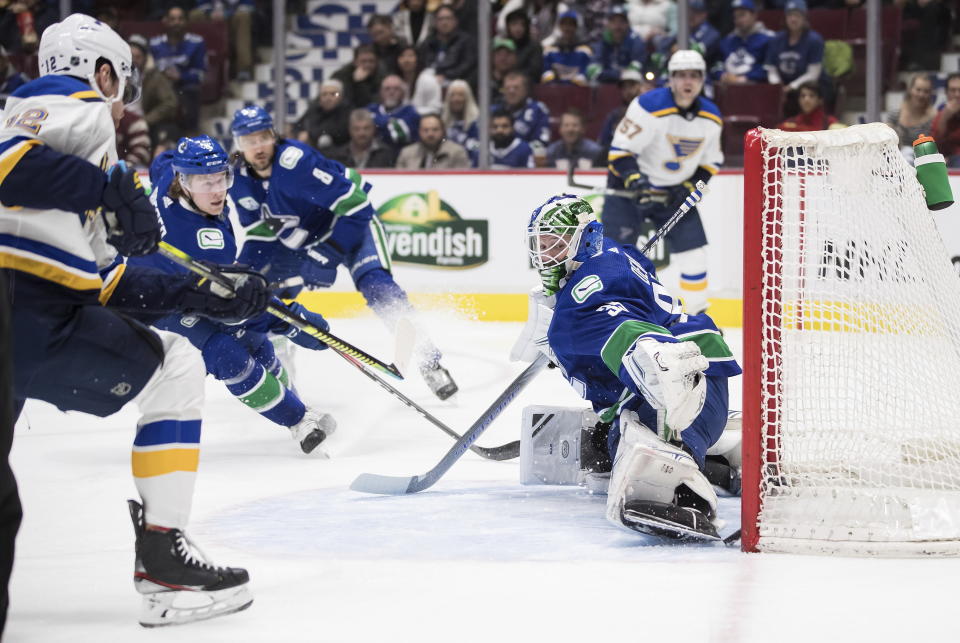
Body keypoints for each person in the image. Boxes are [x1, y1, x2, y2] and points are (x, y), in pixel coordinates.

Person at [1, 14, 255, 626]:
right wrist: (106, 188)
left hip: (40, 318)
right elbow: (7, 163)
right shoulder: (64, 104)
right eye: (121, 83)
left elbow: (107, 281)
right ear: (103, 71)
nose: (120, 105)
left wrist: (205, 294)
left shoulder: (69, 147)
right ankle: (165, 562)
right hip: (31, 314)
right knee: (176, 368)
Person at [511, 193, 741, 540]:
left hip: (685, 396)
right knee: (600, 455)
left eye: (555, 245)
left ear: (583, 241)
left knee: (635, 455)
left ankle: (685, 486)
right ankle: (720, 460)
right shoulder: (616, 254)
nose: (545, 257)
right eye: (540, 246)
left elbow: (657, 358)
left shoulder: (577, 309)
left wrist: (669, 439)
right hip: (706, 379)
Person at [228, 106, 460, 400]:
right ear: (238, 143)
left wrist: (329, 254)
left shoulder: (295, 163)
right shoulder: (239, 180)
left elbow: (357, 205)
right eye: (249, 141)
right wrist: (243, 270)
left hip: (351, 224)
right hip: (303, 240)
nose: (257, 147)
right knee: (267, 292)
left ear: (273, 135)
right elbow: (261, 234)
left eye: (262, 137)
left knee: (378, 287)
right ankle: (280, 356)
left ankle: (430, 362)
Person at [128, 135, 337, 453]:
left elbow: (162, 159)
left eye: (220, 179)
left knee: (252, 339)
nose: (216, 191)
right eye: (204, 183)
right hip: (147, 305)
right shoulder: (205, 239)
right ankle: (298, 420)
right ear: (183, 182)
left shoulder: (167, 173)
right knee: (224, 350)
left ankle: (298, 408)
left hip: (177, 288)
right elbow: (236, 302)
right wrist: (293, 322)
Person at [604, 50, 722, 315]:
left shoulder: (711, 117)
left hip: (675, 194)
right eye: (681, 75)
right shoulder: (647, 106)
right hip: (630, 191)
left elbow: (711, 162)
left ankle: (696, 316)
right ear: (670, 79)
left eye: (694, 75)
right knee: (612, 257)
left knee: (694, 256)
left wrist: (691, 185)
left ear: (703, 80)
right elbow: (619, 153)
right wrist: (635, 180)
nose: (687, 82)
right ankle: (608, 312)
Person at [150, 5, 207, 133]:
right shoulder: (155, 44)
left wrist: (181, 77)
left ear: (186, 21)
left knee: (190, 90)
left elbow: (201, 75)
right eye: (173, 19)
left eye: (180, 19)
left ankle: (191, 132)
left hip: (184, 87)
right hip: (161, 88)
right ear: (165, 21)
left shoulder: (196, 42)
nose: (177, 23)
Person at [764, 0, 824, 116]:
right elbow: (771, 68)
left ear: (804, 18)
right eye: (790, 15)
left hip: (808, 85)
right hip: (783, 86)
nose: (793, 19)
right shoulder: (776, 39)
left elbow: (813, 74)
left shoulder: (815, 40)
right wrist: (778, 86)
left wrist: (792, 86)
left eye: (797, 15)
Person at [128, 34, 180, 147]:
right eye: (130, 56)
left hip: (143, 123)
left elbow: (170, 103)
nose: (133, 60)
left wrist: (146, 120)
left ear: (145, 58)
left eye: (138, 57)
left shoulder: (155, 77)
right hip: (119, 122)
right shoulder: (114, 74)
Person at [189, 0, 254, 81]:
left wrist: (227, 14)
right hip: (211, 21)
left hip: (233, 21)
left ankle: (243, 68)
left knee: (243, 16)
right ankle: (194, 67)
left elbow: (248, 6)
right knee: (195, 14)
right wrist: (210, 13)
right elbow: (202, 4)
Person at [417, 5, 477, 90]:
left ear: (455, 21)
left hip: (456, 84)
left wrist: (445, 75)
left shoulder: (466, 41)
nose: (444, 23)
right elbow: (423, 64)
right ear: (435, 22)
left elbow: (467, 65)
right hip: (431, 82)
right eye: (440, 19)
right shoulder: (428, 42)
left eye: (448, 18)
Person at [714, 0, 772, 86]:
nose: (738, 20)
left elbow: (769, 68)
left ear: (754, 15)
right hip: (729, 90)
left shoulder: (768, 39)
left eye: (742, 15)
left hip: (756, 91)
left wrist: (743, 79)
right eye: (735, 16)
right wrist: (723, 75)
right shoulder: (727, 41)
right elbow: (717, 64)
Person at [494, 70, 551, 154]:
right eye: (507, 88)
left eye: (516, 88)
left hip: (525, 163)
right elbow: (474, 141)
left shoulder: (538, 110)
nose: (511, 91)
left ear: (526, 90)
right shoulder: (493, 111)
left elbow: (542, 143)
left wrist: (519, 151)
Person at [587, 5, 647, 85]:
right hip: (606, 82)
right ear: (608, 24)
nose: (617, 26)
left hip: (629, 83)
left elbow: (636, 68)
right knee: (592, 83)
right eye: (614, 22)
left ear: (627, 24)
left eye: (621, 21)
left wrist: (607, 74)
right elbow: (593, 70)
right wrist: (617, 74)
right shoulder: (602, 41)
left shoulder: (635, 40)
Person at [885, 73, 936, 160]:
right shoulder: (895, 114)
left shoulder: (933, 117)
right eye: (918, 90)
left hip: (922, 160)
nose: (921, 95)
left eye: (926, 91)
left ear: (930, 94)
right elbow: (886, 141)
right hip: (896, 159)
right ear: (910, 90)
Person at [598, 68, 650, 151]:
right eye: (624, 87)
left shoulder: (651, 112)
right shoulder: (615, 115)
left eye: (632, 85)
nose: (628, 90)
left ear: (642, 87)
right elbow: (604, 142)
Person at [327, 108, 397, 169]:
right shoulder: (337, 156)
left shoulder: (386, 155)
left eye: (366, 128)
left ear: (374, 129)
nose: (361, 133)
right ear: (349, 130)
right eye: (356, 129)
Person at [292, 78, 351, 151]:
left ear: (341, 96)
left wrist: (309, 134)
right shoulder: (313, 110)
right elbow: (297, 126)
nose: (328, 98)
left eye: (334, 94)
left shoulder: (347, 112)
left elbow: (338, 131)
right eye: (324, 94)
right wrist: (300, 133)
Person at [367, 74, 421, 152]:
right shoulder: (372, 108)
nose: (391, 92)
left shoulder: (411, 112)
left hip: (400, 157)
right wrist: (389, 122)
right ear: (380, 92)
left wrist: (375, 122)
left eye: (396, 89)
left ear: (403, 93)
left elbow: (400, 135)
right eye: (387, 89)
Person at [396, 113, 471, 169]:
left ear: (443, 131)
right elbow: (398, 181)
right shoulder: (406, 153)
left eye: (435, 130)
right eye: (425, 130)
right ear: (419, 132)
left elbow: (462, 182)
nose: (430, 134)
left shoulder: (457, 152)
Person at [540, 10, 591, 86]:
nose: (567, 28)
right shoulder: (549, 51)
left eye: (571, 24)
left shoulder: (584, 51)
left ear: (576, 27)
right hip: (554, 91)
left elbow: (585, 74)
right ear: (560, 26)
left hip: (578, 93)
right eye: (564, 24)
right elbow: (545, 72)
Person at [470, 110, 535, 168]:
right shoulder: (482, 150)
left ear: (512, 128)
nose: (499, 130)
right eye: (495, 127)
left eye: (505, 126)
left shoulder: (524, 149)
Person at [331, 44, 385, 110]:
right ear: (355, 62)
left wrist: (360, 83)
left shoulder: (383, 77)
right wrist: (355, 83)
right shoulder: (341, 76)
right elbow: (338, 96)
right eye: (363, 61)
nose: (367, 65)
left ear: (377, 62)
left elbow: (373, 101)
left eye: (371, 61)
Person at [395, 45, 442, 115]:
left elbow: (436, 109)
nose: (406, 60)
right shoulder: (396, 81)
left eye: (410, 56)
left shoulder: (428, 80)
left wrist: (412, 112)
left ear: (417, 59)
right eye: (402, 56)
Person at [776, 80, 841, 131]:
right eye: (803, 96)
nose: (806, 99)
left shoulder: (830, 123)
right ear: (798, 100)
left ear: (820, 100)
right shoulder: (790, 123)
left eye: (811, 95)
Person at [503, 9, 543, 87]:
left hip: (528, 87)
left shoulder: (534, 47)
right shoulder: (503, 46)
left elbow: (535, 72)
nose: (518, 29)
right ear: (508, 27)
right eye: (514, 24)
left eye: (522, 25)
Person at [442, 78, 479, 151]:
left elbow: (479, 147)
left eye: (460, 95)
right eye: (452, 95)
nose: (456, 99)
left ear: (467, 98)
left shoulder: (477, 122)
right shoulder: (443, 121)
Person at [932, 73, 960, 166]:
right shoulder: (941, 114)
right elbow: (935, 146)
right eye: (953, 90)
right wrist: (944, 119)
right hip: (948, 160)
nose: (957, 94)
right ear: (946, 93)